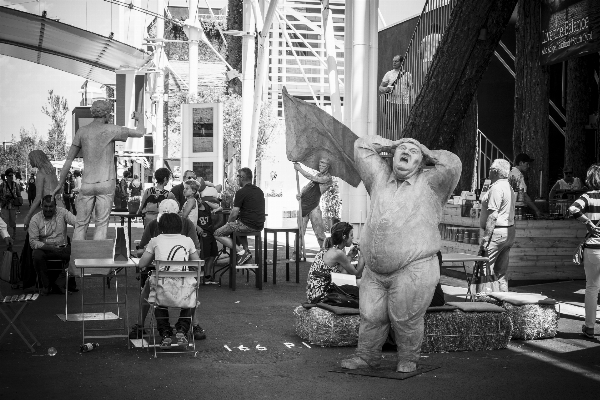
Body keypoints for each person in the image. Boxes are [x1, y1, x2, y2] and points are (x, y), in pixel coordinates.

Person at [341, 136, 461, 373]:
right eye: (402, 150)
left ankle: (408, 358)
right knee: (371, 316)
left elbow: (453, 164)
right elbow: (360, 146)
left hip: (413, 266)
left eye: (413, 152)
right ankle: (367, 356)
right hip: (375, 270)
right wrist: (391, 144)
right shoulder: (379, 178)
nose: (406, 153)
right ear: (393, 155)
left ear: (421, 160)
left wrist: (426, 150)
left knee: (406, 318)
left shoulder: (431, 184)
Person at [53, 99, 145, 240]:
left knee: (81, 223)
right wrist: (140, 119)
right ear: (107, 114)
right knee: (101, 224)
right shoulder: (112, 129)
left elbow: (69, 160)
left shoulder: (82, 132)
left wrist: (60, 183)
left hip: (87, 183)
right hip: (106, 182)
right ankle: (97, 259)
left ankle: (77, 259)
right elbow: (140, 132)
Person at [130, 199, 206, 341]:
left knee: (151, 288)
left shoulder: (159, 236)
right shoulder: (183, 237)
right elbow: (197, 261)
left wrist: (152, 249)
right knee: (191, 286)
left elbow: (141, 261)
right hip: (184, 277)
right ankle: (186, 327)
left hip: (160, 277)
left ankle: (154, 327)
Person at [569, 164, 600, 339]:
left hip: (594, 247)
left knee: (592, 288)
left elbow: (573, 209)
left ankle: (589, 327)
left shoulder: (588, 196)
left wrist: (587, 222)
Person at [214, 168, 265, 266]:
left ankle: (242, 252)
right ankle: (246, 250)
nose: (237, 179)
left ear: (242, 178)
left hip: (246, 225)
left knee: (217, 233)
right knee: (239, 223)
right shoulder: (259, 191)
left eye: (237, 176)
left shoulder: (241, 192)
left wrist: (228, 223)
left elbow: (234, 212)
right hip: (259, 225)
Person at [479, 159, 516, 292]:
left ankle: (485, 298)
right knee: (501, 271)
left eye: (489, 169)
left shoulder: (496, 188)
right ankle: (504, 300)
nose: (488, 171)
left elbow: (493, 215)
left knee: (485, 266)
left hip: (497, 232)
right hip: (508, 231)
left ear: (495, 171)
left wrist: (486, 237)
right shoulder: (508, 186)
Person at [28, 195, 77, 295]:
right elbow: (33, 242)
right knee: (36, 255)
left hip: (62, 247)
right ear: (42, 206)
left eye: (51, 206)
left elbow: (77, 223)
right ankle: (46, 286)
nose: (48, 209)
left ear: (55, 206)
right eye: (46, 206)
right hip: (45, 249)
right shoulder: (35, 219)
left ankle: (59, 283)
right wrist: (50, 248)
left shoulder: (62, 212)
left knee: (78, 254)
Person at [306, 222, 364, 303]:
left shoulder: (329, 249)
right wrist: (363, 254)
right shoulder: (338, 253)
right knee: (360, 283)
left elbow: (342, 272)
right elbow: (357, 274)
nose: (353, 238)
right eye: (351, 235)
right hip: (321, 295)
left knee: (355, 282)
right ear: (344, 237)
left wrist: (350, 256)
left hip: (313, 293)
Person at [294, 159, 333, 250]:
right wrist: (301, 194)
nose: (321, 167)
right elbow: (307, 187)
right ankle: (297, 253)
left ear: (328, 167)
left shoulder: (327, 178)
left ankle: (325, 253)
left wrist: (300, 169)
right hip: (303, 206)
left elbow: (312, 178)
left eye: (323, 165)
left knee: (319, 233)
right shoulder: (318, 175)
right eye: (320, 165)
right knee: (299, 233)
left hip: (314, 207)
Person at [24, 150, 65, 231]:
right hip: (59, 206)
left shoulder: (40, 174)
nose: (30, 161)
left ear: (35, 159)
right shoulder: (51, 172)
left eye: (30, 159)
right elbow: (59, 190)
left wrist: (28, 217)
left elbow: (38, 198)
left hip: (50, 208)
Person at [379, 55, 413, 135]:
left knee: (403, 124)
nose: (394, 63)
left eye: (396, 61)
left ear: (401, 62)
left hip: (404, 103)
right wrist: (385, 89)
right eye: (393, 61)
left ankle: (402, 141)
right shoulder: (389, 74)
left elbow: (411, 89)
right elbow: (380, 87)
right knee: (390, 125)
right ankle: (391, 142)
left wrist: (413, 101)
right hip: (391, 102)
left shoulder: (407, 74)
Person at [196, 194, 223, 284]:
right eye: (197, 199)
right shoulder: (193, 209)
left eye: (199, 198)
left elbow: (220, 207)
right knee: (205, 255)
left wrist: (215, 209)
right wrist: (197, 227)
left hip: (210, 231)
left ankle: (207, 276)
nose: (199, 200)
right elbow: (188, 219)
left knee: (213, 254)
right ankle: (200, 277)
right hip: (203, 234)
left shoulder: (206, 204)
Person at [508, 153, 542, 218]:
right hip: (517, 209)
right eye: (527, 164)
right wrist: (536, 210)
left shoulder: (510, 172)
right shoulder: (519, 175)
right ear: (521, 163)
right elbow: (523, 195)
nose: (528, 166)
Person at [0, 168, 23, 239]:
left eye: (12, 175)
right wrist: (3, 198)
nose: (11, 177)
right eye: (9, 175)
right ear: (6, 176)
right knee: (5, 221)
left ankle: (14, 233)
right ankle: (6, 235)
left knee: (13, 221)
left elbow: (18, 194)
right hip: (5, 205)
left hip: (13, 206)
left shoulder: (15, 184)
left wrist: (18, 200)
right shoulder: (2, 185)